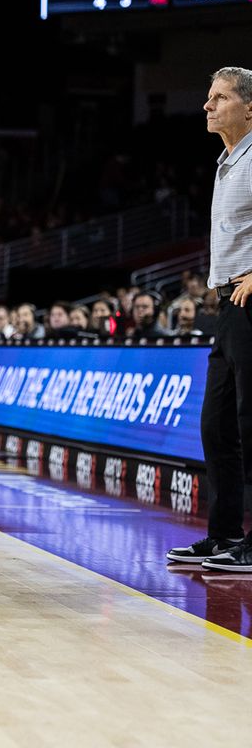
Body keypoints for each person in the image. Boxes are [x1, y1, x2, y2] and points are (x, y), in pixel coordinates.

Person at [169, 66, 252, 571]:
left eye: (220, 97)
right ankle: (224, 535)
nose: (207, 105)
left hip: (249, 297)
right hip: (228, 302)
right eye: (208, 96)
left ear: (250, 107)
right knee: (217, 425)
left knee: (249, 422)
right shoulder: (227, 161)